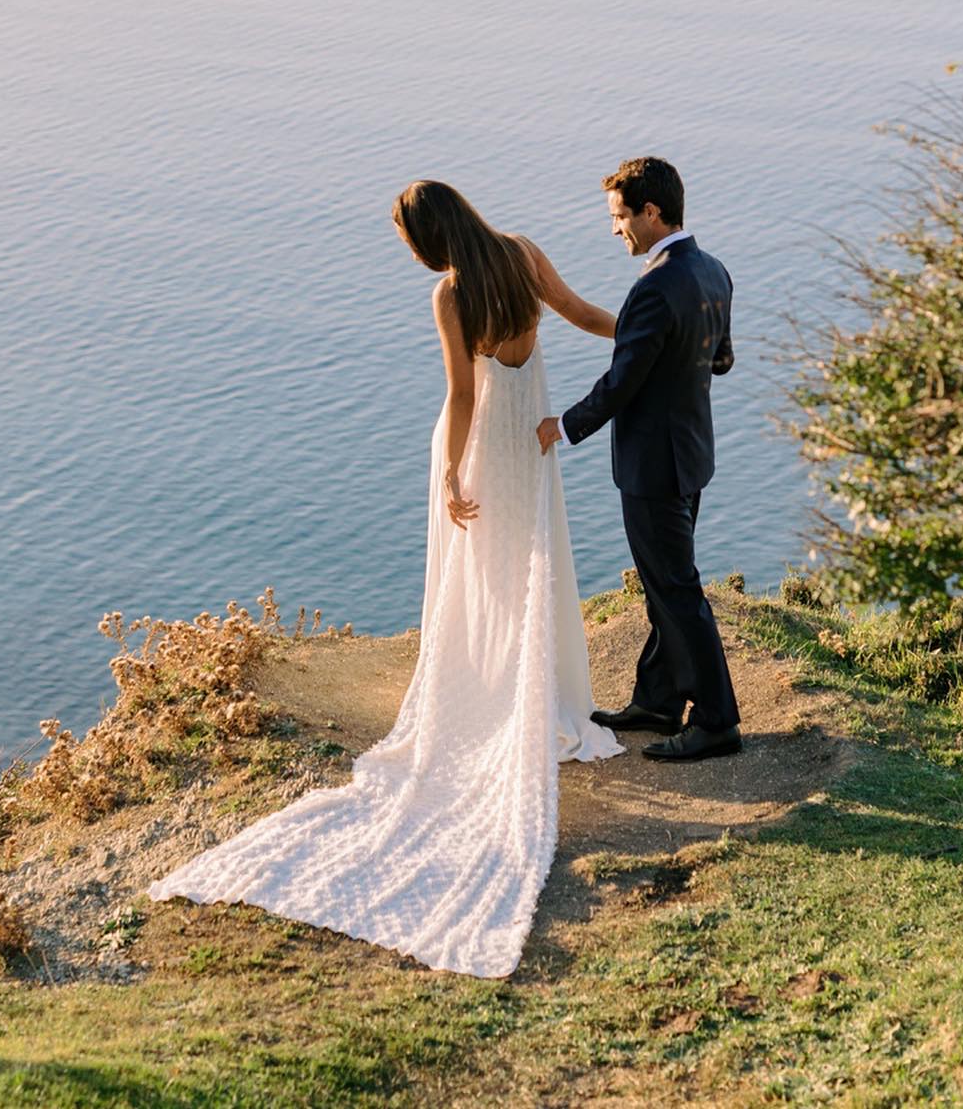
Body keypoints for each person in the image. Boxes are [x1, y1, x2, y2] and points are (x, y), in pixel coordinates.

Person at [147, 180, 622, 978]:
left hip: (481, 446)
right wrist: (649, 335)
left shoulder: (454, 294)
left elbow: (462, 394)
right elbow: (584, 317)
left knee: (481, 580)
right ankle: (539, 696)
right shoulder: (523, 256)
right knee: (530, 568)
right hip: (530, 448)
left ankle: (494, 693)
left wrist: (448, 476)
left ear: (428, 237)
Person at [537, 155, 741, 762]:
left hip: (656, 466)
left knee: (677, 591)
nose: (616, 228)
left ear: (652, 213)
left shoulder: (654, 286)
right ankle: (657, 700)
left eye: (621, 216)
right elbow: (721, 360)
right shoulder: (712, 270)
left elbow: (623, 379)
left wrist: (565, 426)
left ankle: (717, 722)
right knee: (662, 585)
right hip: (691, 455)